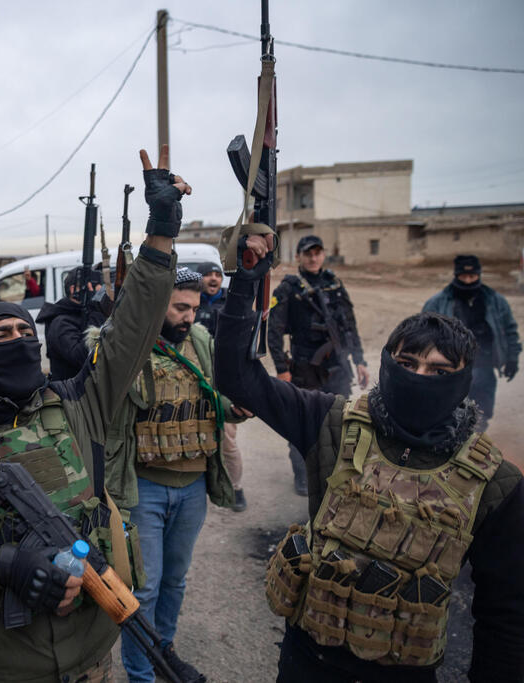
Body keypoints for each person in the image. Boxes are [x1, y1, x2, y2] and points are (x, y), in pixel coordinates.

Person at [0, 145, 187, 682]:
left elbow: (130, 330)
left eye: (23, 332)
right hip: (7, 665)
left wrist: (161, 231)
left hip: (92, 656)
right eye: (0, 334)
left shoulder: (78, 404)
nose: (16, 338)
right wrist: (3, 564)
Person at [216, 233, 524, 683]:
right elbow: (236, 377)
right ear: (389, 364)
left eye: (439, 371)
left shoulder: (495, 483)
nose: (420, 377)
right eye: (408, 363)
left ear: (461, 382)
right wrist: (246, 280)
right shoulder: (331, 422)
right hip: (307, 665)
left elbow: (506, 617)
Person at [104, 266, 247, 683]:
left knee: (174, 581)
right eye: (180, 308)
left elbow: (212, 396)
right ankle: (141, 673)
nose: (190, 317)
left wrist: (235, 408)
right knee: (143, 588)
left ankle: (163, 652)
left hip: (193, 486)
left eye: (195, 309)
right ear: (156, 305)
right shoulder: (128, 345)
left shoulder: (199, 341)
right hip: (144, 488)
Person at [267, 235, 369, 495]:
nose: (313, 258)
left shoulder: (334, 284)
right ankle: (303, 474)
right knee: (303, 420)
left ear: (323, 255)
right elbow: (274, 331)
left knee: (341, 420)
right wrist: (282, 369)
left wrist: (359, 361)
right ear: (298, 257)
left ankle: (336, 470)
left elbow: (350, 325)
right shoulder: (288, 289)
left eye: (317, 253)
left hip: (338, 366)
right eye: (308, 254)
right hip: (305, 368)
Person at [422, 254, 520, 431]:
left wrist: (512, 358)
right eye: (463, 276)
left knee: (481, 414)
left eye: (472, 276)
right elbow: (423, 335)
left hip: (485, 365)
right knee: (448, 413)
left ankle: (474, 440)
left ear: (478, 275)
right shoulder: (438, 302)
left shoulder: (495, 301)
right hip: (451, 368)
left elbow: (510, 330)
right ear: (456, 275)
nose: (467, 281)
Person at [194, 261, 247, 511]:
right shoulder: (190, 302)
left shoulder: (230, 304)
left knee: (227, 441)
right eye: (208, 274)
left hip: (223, 381)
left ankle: (236, 488)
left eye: (217, 274)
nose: (214, 278)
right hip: (195, 378)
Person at [35, 265, 108, 381]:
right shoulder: (60, 323)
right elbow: (82, 358)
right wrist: (97, 311)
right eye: (93, 287)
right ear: (74, 290)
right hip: (72, 390)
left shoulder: (84, 314)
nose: (98, 291)